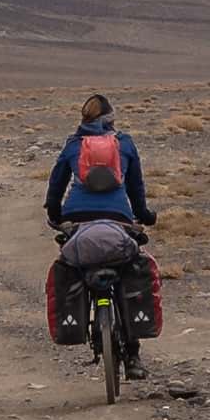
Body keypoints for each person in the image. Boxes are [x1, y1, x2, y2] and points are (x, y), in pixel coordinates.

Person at [44, 93, 155, 377]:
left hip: (76, 220)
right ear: (111, 119)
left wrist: (55, 215)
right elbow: (136, 187)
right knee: (126, 269)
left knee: (76, 266)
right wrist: (143, 215)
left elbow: (56, 185)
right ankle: (132, 356)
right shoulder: (125, 144)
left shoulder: (73, 146)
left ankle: (80, 321)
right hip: (118, 218)